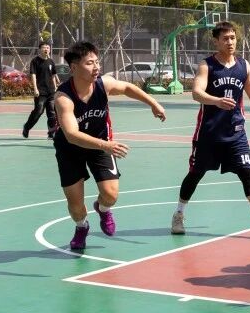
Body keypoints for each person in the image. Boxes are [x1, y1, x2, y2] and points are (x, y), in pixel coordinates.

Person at [171, 21, 250, 237]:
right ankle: (178, 214)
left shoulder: (244, 65)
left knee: (247, 172)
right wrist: (216, 101)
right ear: (216, 41)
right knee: (196, 174)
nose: (230, 42)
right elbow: (196, 92)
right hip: (208, 134)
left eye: (233, 37)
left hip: (236, 132)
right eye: (225, 38)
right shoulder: (207, 66)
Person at [53, 41, 166, 251]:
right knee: (76, 206)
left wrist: (154, 104)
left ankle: (103, 209)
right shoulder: (63, 98)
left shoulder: (102, 84)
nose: (96, 67)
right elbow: (71, 135)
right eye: (89, 63)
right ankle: (81, 226)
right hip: (71, 150)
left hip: (100, 145)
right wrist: (106, 145)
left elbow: (128, 88)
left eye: (97, 61)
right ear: (74, 67)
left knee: (111, 195)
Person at [21, 40, 59, 139]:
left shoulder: (51, 61)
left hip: (51, 91)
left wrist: (55, 88)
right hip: (40, 92)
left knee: (52, 112)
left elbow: (53, 75)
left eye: (48, 47)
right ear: (40, 49)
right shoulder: (35, 61)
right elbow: (33, 75)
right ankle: (27, 127)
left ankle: (51, 133)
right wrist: (35, 89)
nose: (46, 49)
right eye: (44, 47)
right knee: (38, 111)